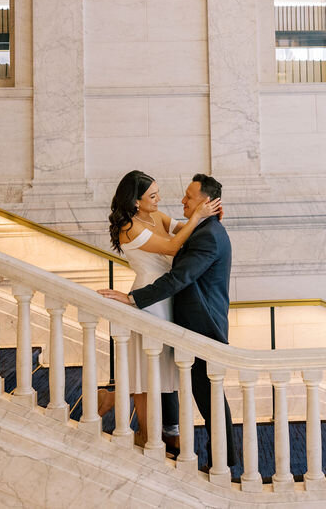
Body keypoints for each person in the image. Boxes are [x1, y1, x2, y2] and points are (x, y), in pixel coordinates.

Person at [100, 173, 238, 469]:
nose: (173, 200)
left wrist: (205, 216)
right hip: (151, 298)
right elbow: (175, 246)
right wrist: (133, 299)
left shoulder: (173, 222)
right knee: (151, 372)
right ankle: (148, 434)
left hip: (175, 307)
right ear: (135, 202)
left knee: (163, 374)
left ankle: (119, 402)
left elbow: (181, 237)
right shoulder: (131, 226)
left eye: (189, 197)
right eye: (153, 195)